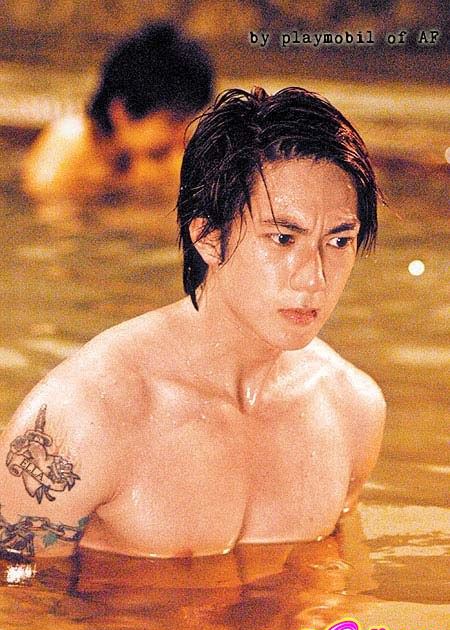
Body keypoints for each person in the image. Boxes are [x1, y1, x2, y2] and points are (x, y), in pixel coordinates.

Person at [1, 86, 386, 561]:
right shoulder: (85, 415)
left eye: (339, 241)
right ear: (208, 237)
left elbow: (339, 575)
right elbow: (15, 593)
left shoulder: (352, 408)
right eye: (283, 238)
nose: (314, 277)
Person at [22, 22, 214, 205]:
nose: (183, 135)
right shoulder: (68, 147)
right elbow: (51, 213)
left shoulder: (169, 157)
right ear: (121, 112)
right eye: (173, 121)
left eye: (188, 119)